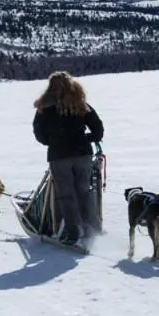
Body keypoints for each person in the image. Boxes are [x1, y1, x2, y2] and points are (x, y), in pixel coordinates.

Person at [32, 71, 105, 245]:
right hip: (82, 154)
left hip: (59, 155)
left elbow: (39, 132)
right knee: (84, 192)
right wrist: (85, 139)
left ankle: (73, 232)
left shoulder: (44, 106)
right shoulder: (80, 104)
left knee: (66, 194)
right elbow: (98, 129)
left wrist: (52, 141)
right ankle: (92, 228)